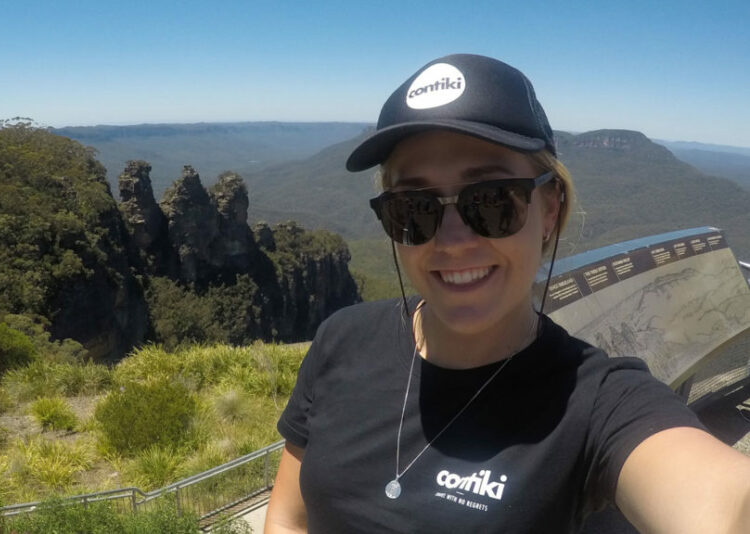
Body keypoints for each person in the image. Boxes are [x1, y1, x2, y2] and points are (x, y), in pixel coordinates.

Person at [264, 53, 750, 533]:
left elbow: (724, 507)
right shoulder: (340, 341)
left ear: (551, 209)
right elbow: (288, 518)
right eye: (414, 209)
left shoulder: (596, 403)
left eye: (492, 201)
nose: (452, 242)